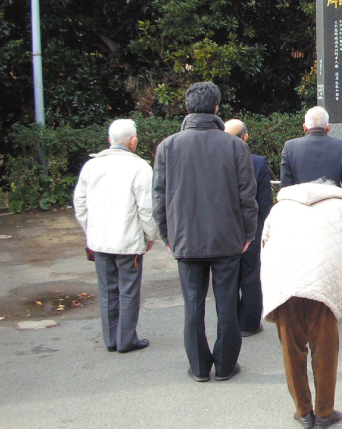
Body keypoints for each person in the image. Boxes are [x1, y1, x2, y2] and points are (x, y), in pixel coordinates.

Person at [153, 81, 258, 382]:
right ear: (216, 108)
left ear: (187, 108)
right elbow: (246, 197)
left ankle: (199, 367)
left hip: (185, 237)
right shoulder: (236, 145)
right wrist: (247, 234)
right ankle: (225, 365)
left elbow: (159, 198)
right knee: (226, 302)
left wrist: (167, 236)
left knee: (193, 304)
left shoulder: (168, 146)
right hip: (227, 236)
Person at [261, 179, 342, 429]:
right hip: (326, 282)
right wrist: (341, 290)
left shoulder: (279, 208)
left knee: (291, 348)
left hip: (285, 283)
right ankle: (324, 412)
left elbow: (265, 248)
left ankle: (303, 411)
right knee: (325, 349)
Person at [73, 119, 158, 354]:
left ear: (110, 140)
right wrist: (150, 236)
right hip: (129, 241)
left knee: (108, 290)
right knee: (128, 290)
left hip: (99, 241)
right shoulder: (140, 167)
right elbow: (147, 209)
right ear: (133, 141)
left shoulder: (91, 166)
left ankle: (111, 338)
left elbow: (79, 203)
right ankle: (126, 339)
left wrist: (89, 228)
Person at [224, 119, 273, 337]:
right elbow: (264, 201)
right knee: (252, 274)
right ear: (245, 137)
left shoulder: (215, 161)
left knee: (227, 277)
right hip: (252, 228)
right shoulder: (258, 162)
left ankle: (230, 320)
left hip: (224, 230)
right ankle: (250, 323)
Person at [280, 106, 342, 204]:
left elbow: (286, 187)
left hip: (301, 207)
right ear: (328, 127)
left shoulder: (290, 147)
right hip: (333, 207)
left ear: (304, 127)